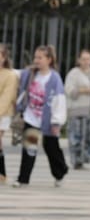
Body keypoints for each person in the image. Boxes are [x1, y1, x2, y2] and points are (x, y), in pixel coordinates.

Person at [14, 45, 69, 188]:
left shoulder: (54, 78)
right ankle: (23, 179)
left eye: (40, 57)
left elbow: (59, 100)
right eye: (35, 57)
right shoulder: (30, 73)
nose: (36, 60)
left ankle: (60, 172)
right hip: (31, 118)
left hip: (48, 121)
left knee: (51, 149)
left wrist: (57, 122)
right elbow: (15, 74)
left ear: (49, 60)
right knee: (29, 148)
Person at [0, 44, 19, 185]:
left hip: (3, 114)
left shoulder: (10, 75)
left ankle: (2, 174)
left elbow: (7, 98)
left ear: (4, 57)